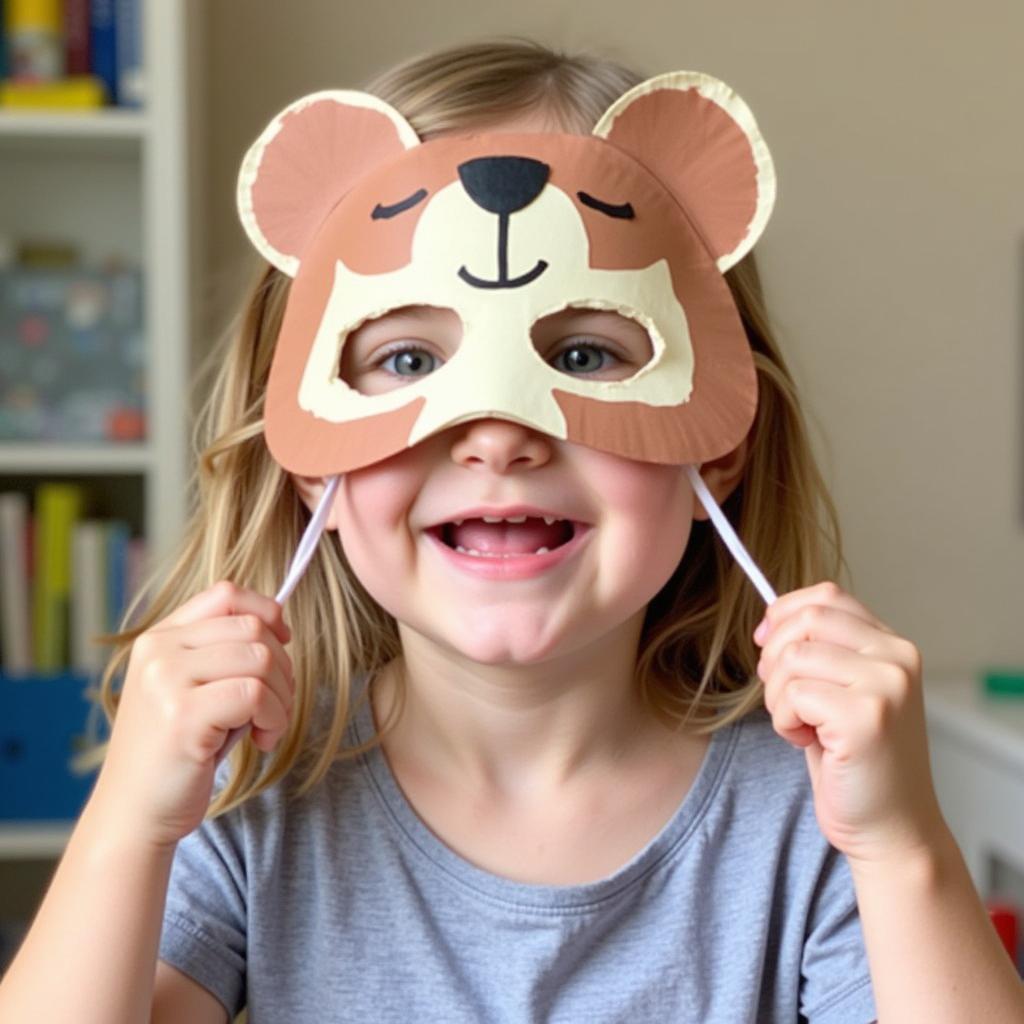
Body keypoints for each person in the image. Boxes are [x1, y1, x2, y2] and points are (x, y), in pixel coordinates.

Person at [1, 38, 1021, 1024]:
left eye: (583, 354)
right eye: (405, 361)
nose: (497, 436)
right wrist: (129, 821)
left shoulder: (816, 806)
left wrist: (899, 842)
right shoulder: (251, 788)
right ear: (309, 458)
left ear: (717, 436)